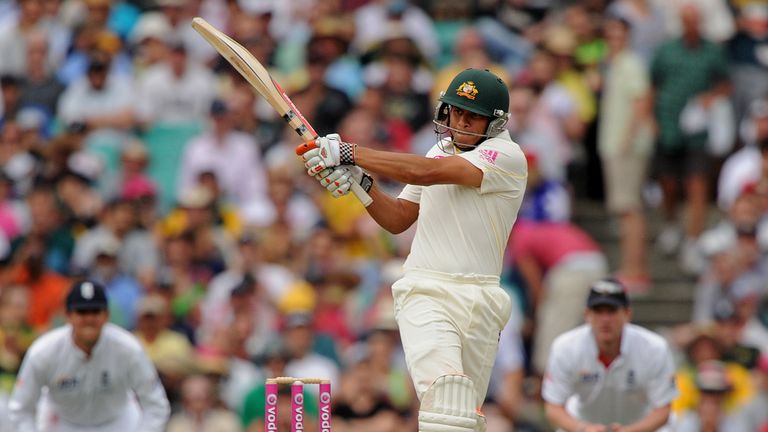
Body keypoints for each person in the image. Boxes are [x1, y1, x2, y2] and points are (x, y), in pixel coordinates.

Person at [300, 68, 527, 431]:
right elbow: (400, 218)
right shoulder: (440, 150)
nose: (462, 123)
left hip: (483, 299)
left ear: (495, 124)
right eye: (456, 112)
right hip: (426, 290)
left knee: (465, 416)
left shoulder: (507, 157)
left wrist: (349, 153)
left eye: (473, 116)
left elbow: (424, 173)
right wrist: (363, 185)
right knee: (446, 396)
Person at [8, 280, 170, 432]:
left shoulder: (128, 349)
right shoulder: (43, 352)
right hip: (62, 422)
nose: (89, 319)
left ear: (106, 315)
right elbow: (20, 409)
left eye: (95, 311)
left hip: (118, 422)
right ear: (68, 316)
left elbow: (156, 406)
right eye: (82, 312)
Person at [542, 278, 678, 432]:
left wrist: (631, 431)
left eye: (612, 311)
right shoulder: (565, 347)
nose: (605, 320)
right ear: (587, 314)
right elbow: (553, 407)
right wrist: (584, 429)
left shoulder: (654, 348)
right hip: (583, 423)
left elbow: (663, 410)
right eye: (598, 311)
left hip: (641, 426)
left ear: (627, 314)